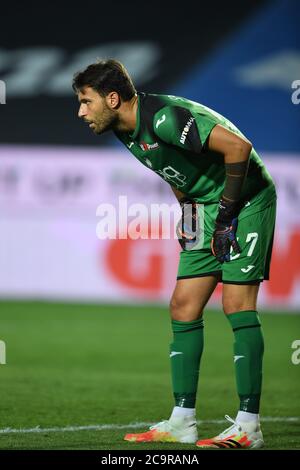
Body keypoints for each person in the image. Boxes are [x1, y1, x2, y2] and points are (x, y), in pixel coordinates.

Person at [72, 59, 276, 449]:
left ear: (112, 99)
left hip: (246, 201)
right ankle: (182, 421)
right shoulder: (125, 130)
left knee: (237, 305)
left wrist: (228, 217)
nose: (81, 111)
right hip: (205, 206)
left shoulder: (163, 119)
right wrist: (188, 215)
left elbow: (239, 148)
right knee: (183, 306)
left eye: (86, 101)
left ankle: (249, 427)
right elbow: (174, 171)